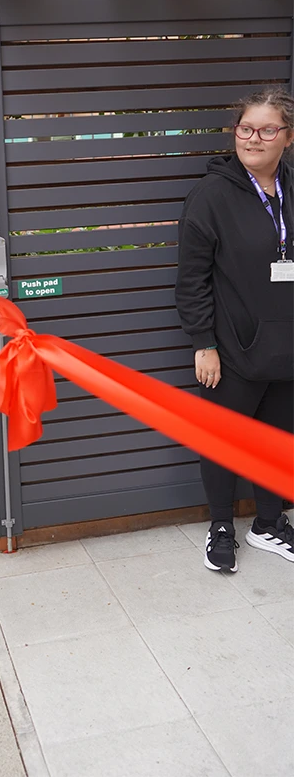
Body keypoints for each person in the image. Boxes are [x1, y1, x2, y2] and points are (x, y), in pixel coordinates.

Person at [176, 87, 294, 573]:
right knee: (223, 439)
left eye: (267, 129)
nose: (254, 138)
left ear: (287, 137)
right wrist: (204, 343)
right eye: (246, 128)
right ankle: (221, 526)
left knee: (278, 436)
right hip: (233, 347)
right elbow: (191, 278)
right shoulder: (212, 194)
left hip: (287, 345)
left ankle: (269, 523)